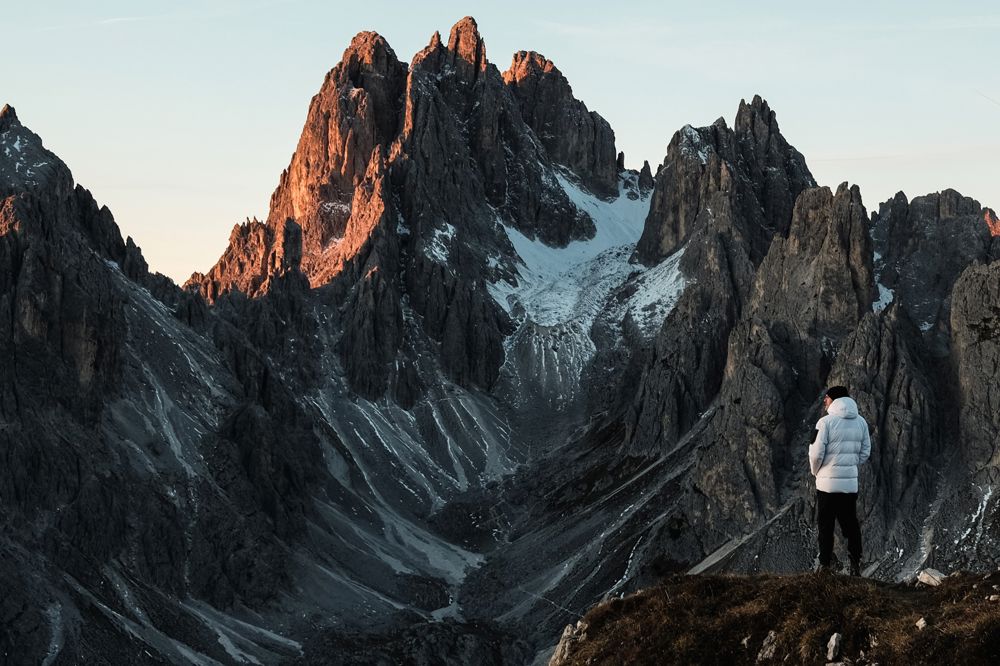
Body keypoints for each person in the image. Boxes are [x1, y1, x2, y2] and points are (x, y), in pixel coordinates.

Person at [809, 385, 872, 575]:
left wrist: (816, 471)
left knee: (826, 525)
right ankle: (855, 565)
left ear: (833, 400)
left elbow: (816, 453)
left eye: (826, 398)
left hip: (827, 486)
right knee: (850, 524)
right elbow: (865, 452)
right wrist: (850, 465)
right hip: (849, 485)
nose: (824, 401)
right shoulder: (861, 422)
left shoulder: (824, 423)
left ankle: (825, 566)